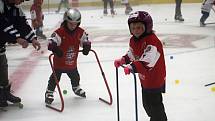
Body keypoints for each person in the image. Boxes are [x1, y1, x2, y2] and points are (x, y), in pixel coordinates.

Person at [114, 11, 167, 121]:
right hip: (145, 79)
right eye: (133, 28)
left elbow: (148, 61)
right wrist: (124, 60)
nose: (135, 30)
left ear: (147, 27)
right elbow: (132, 54)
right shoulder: (133, 40)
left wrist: (132, 67)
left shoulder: (153, 41)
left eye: (139, 28)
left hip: (155, 78)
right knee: (147, 106)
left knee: (155, 106)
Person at [45, 8, 91, 104]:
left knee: (75, 77)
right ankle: (49, 92)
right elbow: (51, 42)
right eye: (71, 23)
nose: (73, 26)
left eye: (75, 24)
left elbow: (85, 40)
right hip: (59, 63)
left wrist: (86, 45)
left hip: (71, 63)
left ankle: (76, 87)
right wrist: (55, 48)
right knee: (54, 78)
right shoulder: (60, 32)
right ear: (66, 21)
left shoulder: (80, 32)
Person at [0, 0, 41, 108]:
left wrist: (33, 39)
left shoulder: (16, 9)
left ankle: (4, 93)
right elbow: (2, 25)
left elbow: (23, 25)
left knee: (3, 67)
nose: (22, 1)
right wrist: (17, 38)